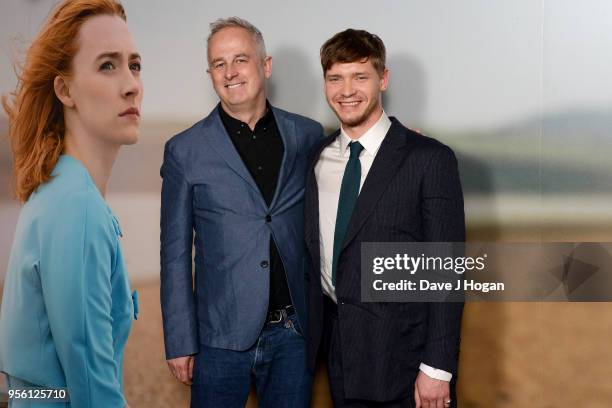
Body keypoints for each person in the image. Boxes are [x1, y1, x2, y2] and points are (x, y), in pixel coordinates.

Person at [159, 17, 323, 408]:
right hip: (218, 339)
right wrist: (180, 340)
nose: (230, 72)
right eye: (219, 64)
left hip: (292, 334)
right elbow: (175, 253)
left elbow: (349, 170)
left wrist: (399, 147)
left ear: (265, 66)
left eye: (240, 60)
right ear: (210, 74)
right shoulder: (185, 150)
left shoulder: (308, 136)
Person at [305, 29, 465, 408]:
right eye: (335, 78)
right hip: (341, 360)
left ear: (383, 79)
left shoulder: (428, 159)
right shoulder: (315, 158)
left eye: (360, 76)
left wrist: (438, 368)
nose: (347, 90)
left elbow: (447, 270)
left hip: (408, 367)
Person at [0, 1, 142, 407]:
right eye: (108, 66)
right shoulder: (76, 209)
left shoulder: (58, 191)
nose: (131, 83)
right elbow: (93, 393)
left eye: (135, 64)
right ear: (64, 90)